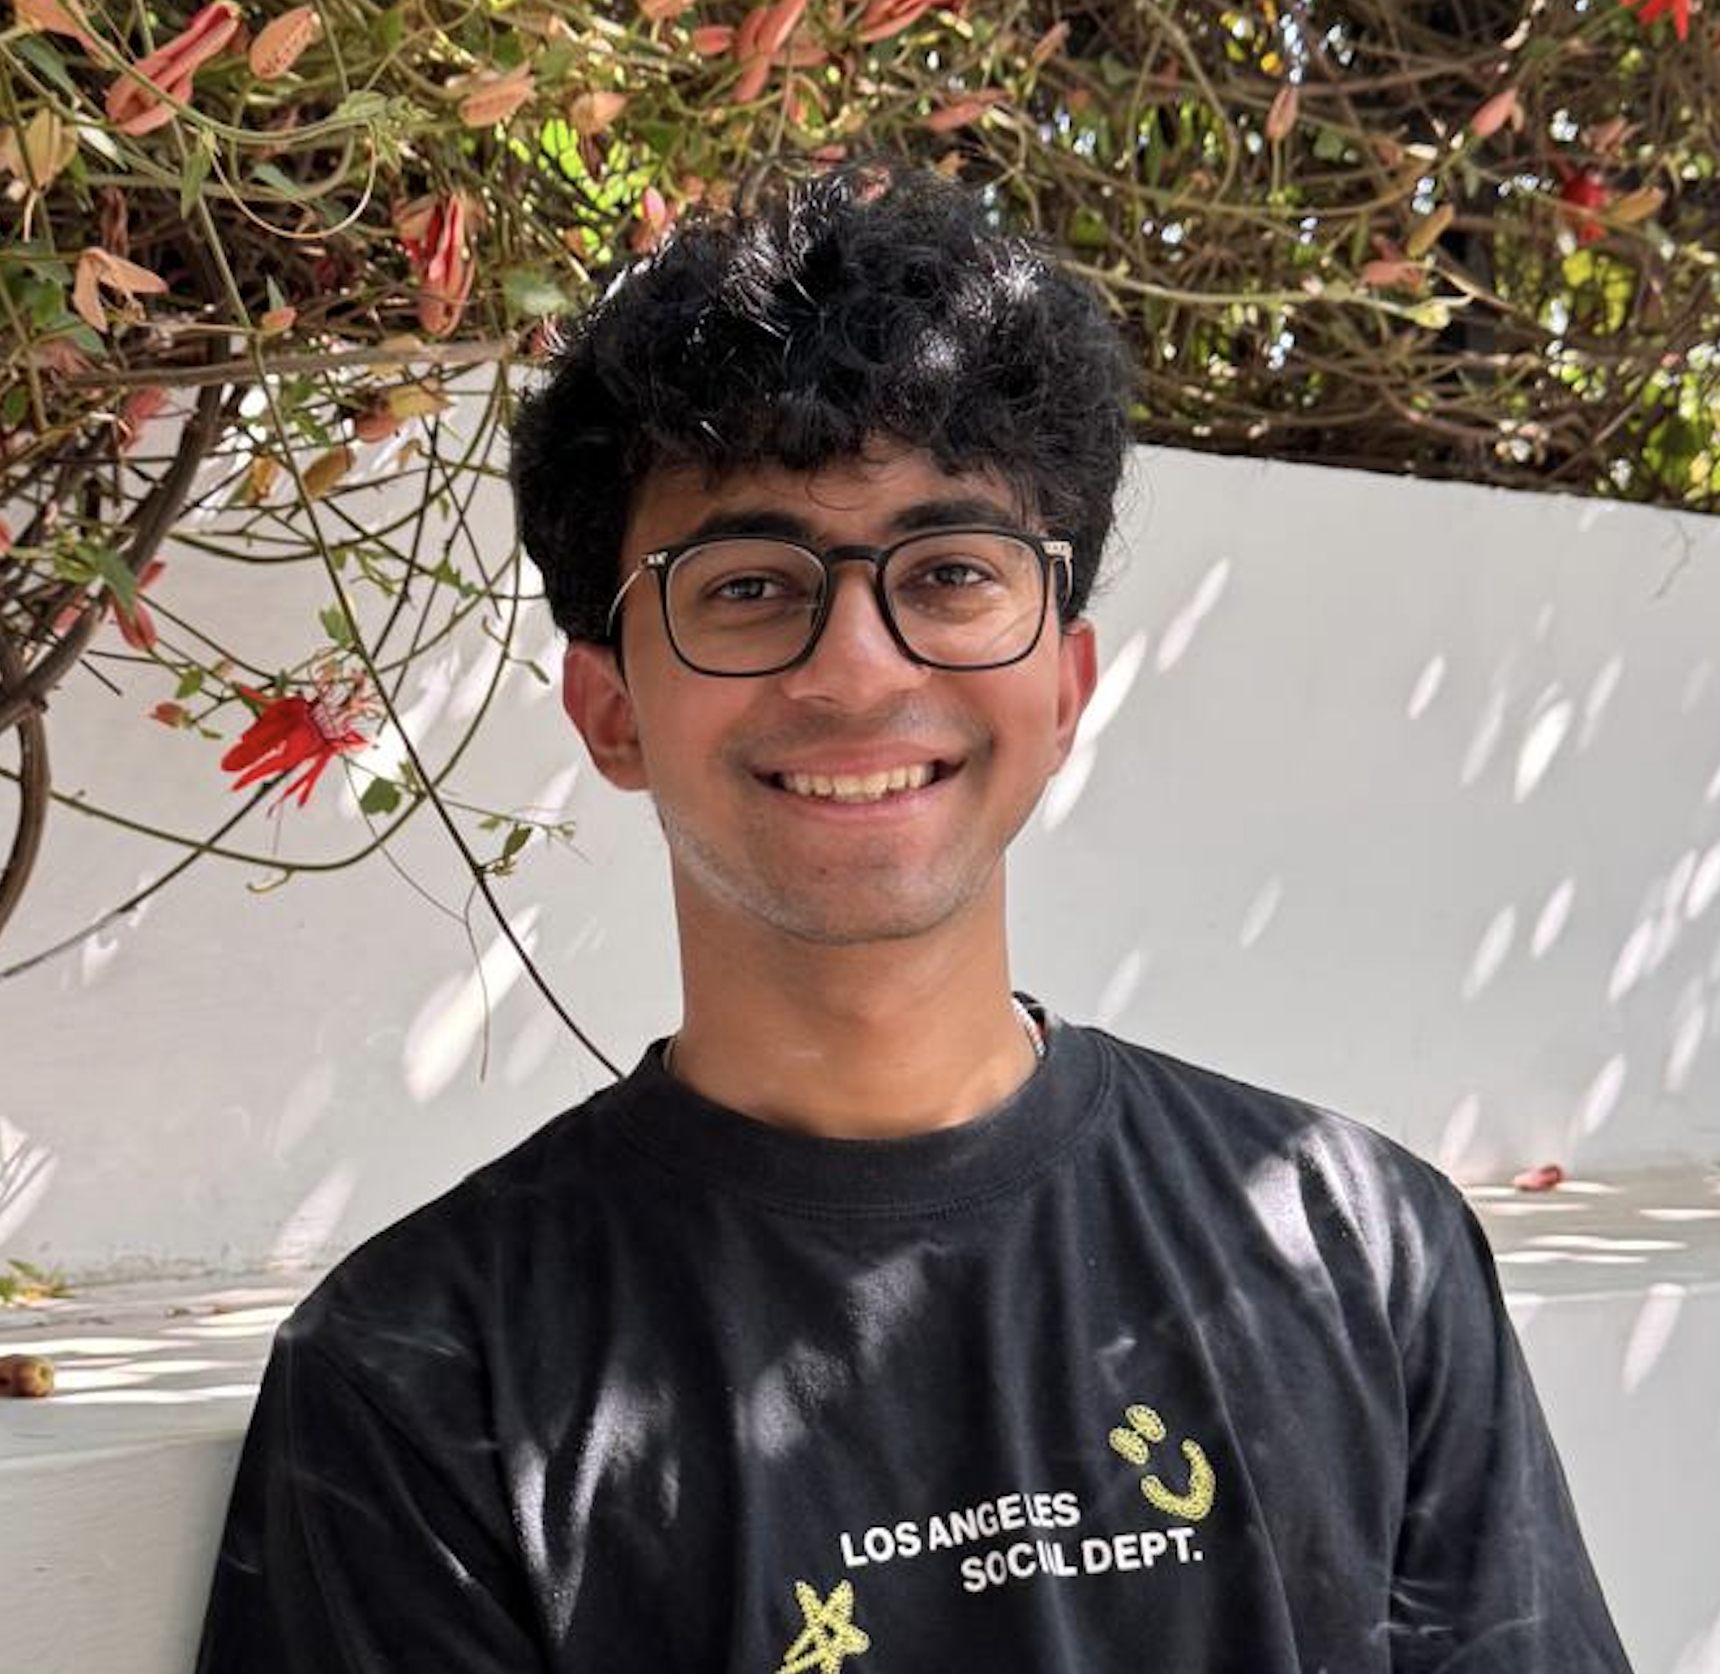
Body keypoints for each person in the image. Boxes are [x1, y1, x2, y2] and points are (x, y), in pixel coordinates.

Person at [196, 159, 1632, 1673]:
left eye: (949, 573)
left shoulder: (1361, 1251)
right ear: (610, 708)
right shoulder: (427, 1376)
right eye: (750, 585)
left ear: (1066, 685)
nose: (862, 668)